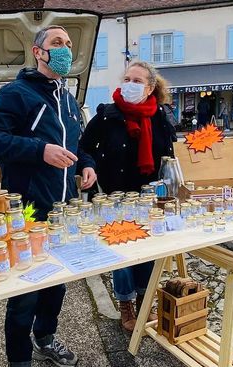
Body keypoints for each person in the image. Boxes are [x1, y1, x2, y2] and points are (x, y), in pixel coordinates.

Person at [0, 25, 97, 367]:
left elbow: (74, 144)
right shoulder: (16, 93)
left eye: (68, 43)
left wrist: (85, 163)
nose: (64, 49)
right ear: (38, 52)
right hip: (28, 209)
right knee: (25, 291)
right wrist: (39, 150)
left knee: (57, 283)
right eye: (57, 43)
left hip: (63, 208)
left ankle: (45, 338)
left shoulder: (67, 98)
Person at [80, 61, 176, 332]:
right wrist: (88, 165)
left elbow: (169, 156)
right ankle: (125, 304)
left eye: (137, 81)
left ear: (150, 88)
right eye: (127, 78)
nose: (130, 84)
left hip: (149, 196)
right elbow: (84, 146)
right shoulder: (107, 115)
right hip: (115, 196)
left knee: (147, 250)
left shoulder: (160, 116)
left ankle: (146, 299)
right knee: (122, 251)